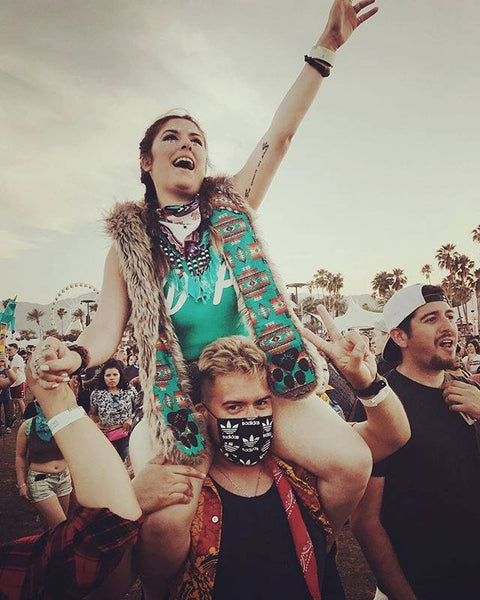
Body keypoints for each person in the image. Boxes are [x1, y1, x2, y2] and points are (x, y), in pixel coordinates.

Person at [32, 1, 378, 595]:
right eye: (172, 137)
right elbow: (104, 332)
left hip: (250, 384)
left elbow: (281, 135)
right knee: (164, 522)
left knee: (353, 465)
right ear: (148, 161)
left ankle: (313, 547)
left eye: (197, 138)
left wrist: (326, 48)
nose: (187, 143)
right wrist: (74, 358)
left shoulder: (232, 208)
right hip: (176, 397)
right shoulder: (127, 250)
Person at [151, 333, 408, 599]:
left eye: (261, 403)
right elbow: (157, 571)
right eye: (234, 407)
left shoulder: (303, 475)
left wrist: (366, 384)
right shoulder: (188, 495)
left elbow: (390, 437)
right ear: (202, 414)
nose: (251, 417)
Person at [1, 340, 205, 600]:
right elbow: (87, 567)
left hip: (83, 468)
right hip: (47, 477)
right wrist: (62, 408)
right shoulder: (29, 426)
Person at [350, 284, 480, 600]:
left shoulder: (466, 391)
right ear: (400, 337)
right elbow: (366, 521)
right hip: (422, 584)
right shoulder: (380, 405)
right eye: (431, 318)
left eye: (449, 315)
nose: (448, 326)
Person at [15, 403, 73, 530]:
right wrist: (21, 484)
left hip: (64, 479)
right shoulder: (28, 426)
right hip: (40, 481)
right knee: (61, 527)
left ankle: (46, 548)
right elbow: (20, 456)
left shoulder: (65, 422)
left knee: (52, 527)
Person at [89, 358, 138, 460]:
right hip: (106, 436)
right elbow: (93, 414)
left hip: (126, 435)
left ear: (120, 375)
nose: (112, 378)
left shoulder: (129, 390)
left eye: (115, 374)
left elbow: (139, 408)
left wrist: (131, 419)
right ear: (103, 377)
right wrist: (95, 425)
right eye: (108, 375)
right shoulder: (97, 394)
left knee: (128, 460)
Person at [7, 343, 26, 420]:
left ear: (16, 350)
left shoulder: (18, 358)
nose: (8, 351)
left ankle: (24, 416)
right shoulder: (8, 358)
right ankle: (13, 416)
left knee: (19, 400)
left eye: (10, 350)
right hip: (10, 383)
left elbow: (13, 371)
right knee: (11, 400)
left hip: (19, 382)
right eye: (8, 350)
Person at [0, 353, 16, 433]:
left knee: (7, 410)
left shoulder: (6, 370)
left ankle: (8, 426)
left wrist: (7, 367)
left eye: (2, 359)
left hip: (5, 393)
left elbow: (13, 378)